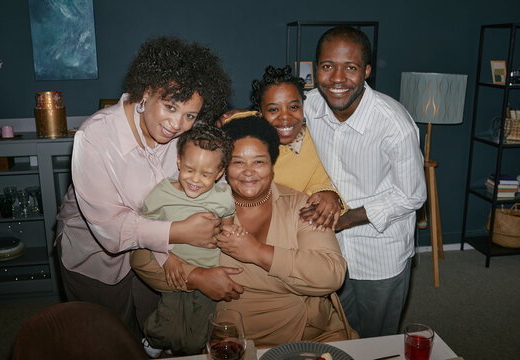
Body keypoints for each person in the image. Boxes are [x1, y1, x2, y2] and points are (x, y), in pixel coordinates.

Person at [55, 36, 234, 340]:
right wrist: (178, 233)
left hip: (153, 254)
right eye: (170, 107)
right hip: (96, 259)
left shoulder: (182, 138)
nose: (176, 124)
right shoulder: (94, 137)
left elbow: (201, 179)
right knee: (109, 340)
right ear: (147, 91)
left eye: (189, 115)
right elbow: (111, 231)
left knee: (156, 334)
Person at [131, 115, 357, 349]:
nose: (248, 172)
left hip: (309, 335)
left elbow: (332, 274)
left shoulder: (299, 206)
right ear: (222, 169)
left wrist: (257, 252)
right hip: (232, 342)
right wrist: (197, 277)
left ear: (272, 165)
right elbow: (140, 258)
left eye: (259, 162)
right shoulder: (202, 206)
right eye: (238, 162)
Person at [303, 26, 427, 337]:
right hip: (328, 248)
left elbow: (411, 195)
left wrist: (346, 219)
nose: (337, 78)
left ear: (367, 71)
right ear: (315, 68)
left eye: (351, 67)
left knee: (375, 340)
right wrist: (239, 116)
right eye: (328, 66)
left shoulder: (394, 124)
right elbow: (273, 113)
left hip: (380, 253)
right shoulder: (308, 105)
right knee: (335, 332)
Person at [138, 124, 235, 357]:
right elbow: (146, 231)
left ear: (220, 172)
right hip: (176, 270)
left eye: (206, 174)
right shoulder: (160, 194)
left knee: (198, 332)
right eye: (189, 169)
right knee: (168, 318)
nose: (195, 180)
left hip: (209, 272)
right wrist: (167, 257)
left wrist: (229, 235)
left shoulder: (223, 197)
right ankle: (154, 340)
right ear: (179, 162)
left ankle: (187, 351)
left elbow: (228, 225)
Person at [223, 65, 348, 230]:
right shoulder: (242, 131)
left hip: (284, 227)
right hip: (238, 221)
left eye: (294, 107)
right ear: (260, 112)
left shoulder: (314, 141)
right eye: (274, 109)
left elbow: (322, 183)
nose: (285, 116)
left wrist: (330, 195)